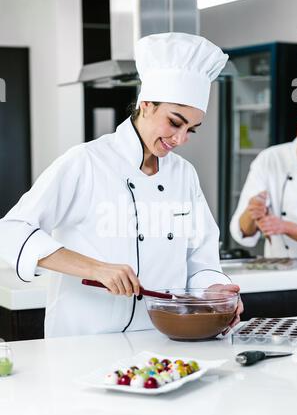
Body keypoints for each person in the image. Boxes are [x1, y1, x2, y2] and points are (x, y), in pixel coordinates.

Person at [0, 33, 243, 337]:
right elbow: (10, 231)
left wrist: (215, 291)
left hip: (158, 340)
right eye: (175, 122)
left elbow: (199, 258)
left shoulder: (184, 175)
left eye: (191, 130)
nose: (180, 139)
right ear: (146, 104)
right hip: (84, 342)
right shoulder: (86, 161)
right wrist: (95, 268)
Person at [230, 125, 297, 258]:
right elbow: (243, 231)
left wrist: (285, 227)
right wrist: (253, 212)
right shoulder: (271, 159)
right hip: (278, 270)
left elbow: (281, 226)